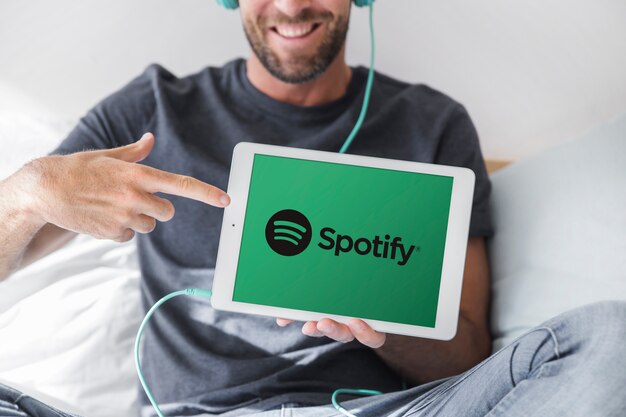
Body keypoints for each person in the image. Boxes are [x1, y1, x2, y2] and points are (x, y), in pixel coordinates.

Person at [0, 1, 624, 416]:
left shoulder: (431, 126)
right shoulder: (155, 109)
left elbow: (465, 353)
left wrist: (386, 320)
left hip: (386, 413)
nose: (294, 5)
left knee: (607, 334)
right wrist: (30, 192)